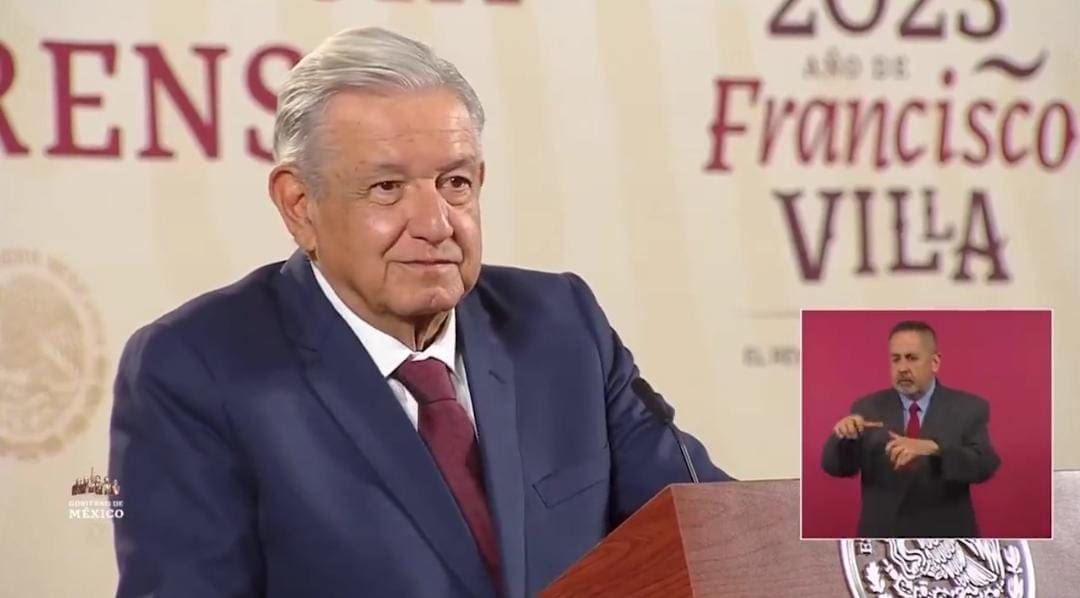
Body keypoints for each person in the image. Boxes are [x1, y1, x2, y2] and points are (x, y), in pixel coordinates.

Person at [108, 27, 731, 598]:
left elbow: (714, 534)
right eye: (387, 188)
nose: (436, 224)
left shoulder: (560, 326)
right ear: (299, 205)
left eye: (455, 183)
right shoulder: (196, 368)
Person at [821, 320, 1000, 537]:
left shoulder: (967, 408)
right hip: (883, 538)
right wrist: (843, 437)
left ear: (934, 362)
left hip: (946, 537)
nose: (902, 368)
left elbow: (984, 465)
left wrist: (935, 449)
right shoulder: (867, 408)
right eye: (895, 359)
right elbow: (838, 468)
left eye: (911, 358)